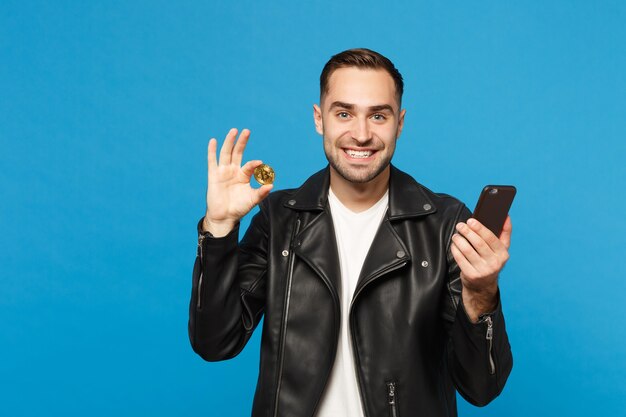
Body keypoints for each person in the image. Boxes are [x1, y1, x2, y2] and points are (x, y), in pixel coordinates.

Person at [188, 48, 513, 417]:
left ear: (400, 123)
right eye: (344, 113)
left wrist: (481, 293)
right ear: (319, 119)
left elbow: (481, 388)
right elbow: (214, 343)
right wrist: (218, 228)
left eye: (378, 115)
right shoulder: (279, 218)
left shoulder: (445, 223)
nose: (361, 135)